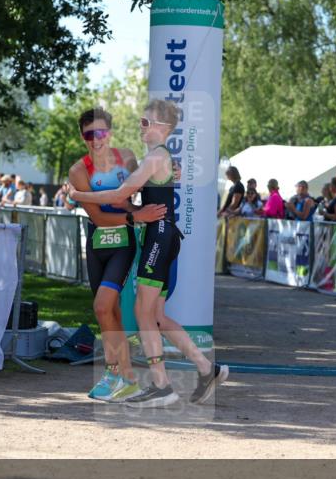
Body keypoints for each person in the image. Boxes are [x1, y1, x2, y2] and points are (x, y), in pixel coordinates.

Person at [69, 99, 228, 407]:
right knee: (156, 316)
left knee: (143, 312)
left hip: (159, 236)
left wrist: (78, 194)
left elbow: (121, 194)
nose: (140, 127)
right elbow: (130, 196)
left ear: (162, 127)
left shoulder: (155, 157)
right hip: (161, 236)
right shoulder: (156, 157)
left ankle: (161, 386)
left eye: (144, 122)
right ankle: (206, 368)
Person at [66, 107, 166, 402]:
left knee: (102, 305)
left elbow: (147, 183)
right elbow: (98, 218)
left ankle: (117, 375)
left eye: (100, 133)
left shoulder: (127, 158)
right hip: (97, 243)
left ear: (109, 132)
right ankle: (125, 377)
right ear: (82, 137)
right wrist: (135, 216)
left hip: (123, 243)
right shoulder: (78, 171)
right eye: (89, 135)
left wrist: (172, 173)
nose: (96, 140)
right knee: (108, 312)